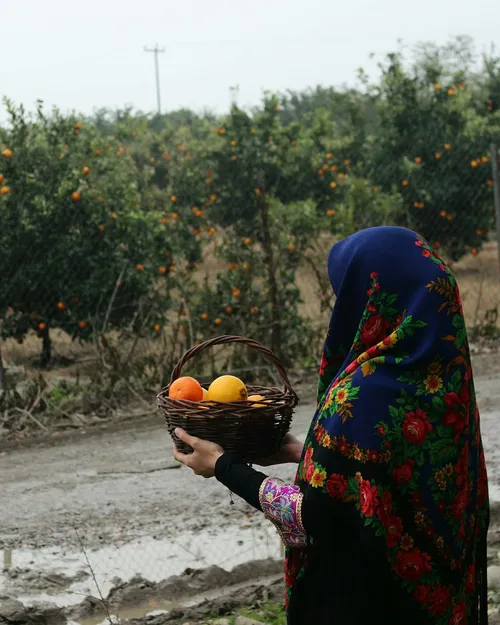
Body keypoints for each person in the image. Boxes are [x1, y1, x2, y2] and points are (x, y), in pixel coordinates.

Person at [173, 226, 490, 625]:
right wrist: (302, 453)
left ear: (366, 299)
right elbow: (388, 480)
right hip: (434, 606)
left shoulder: (362, 392)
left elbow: (318, 517)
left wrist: (223, 467)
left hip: (366, 604)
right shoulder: (445, 382)